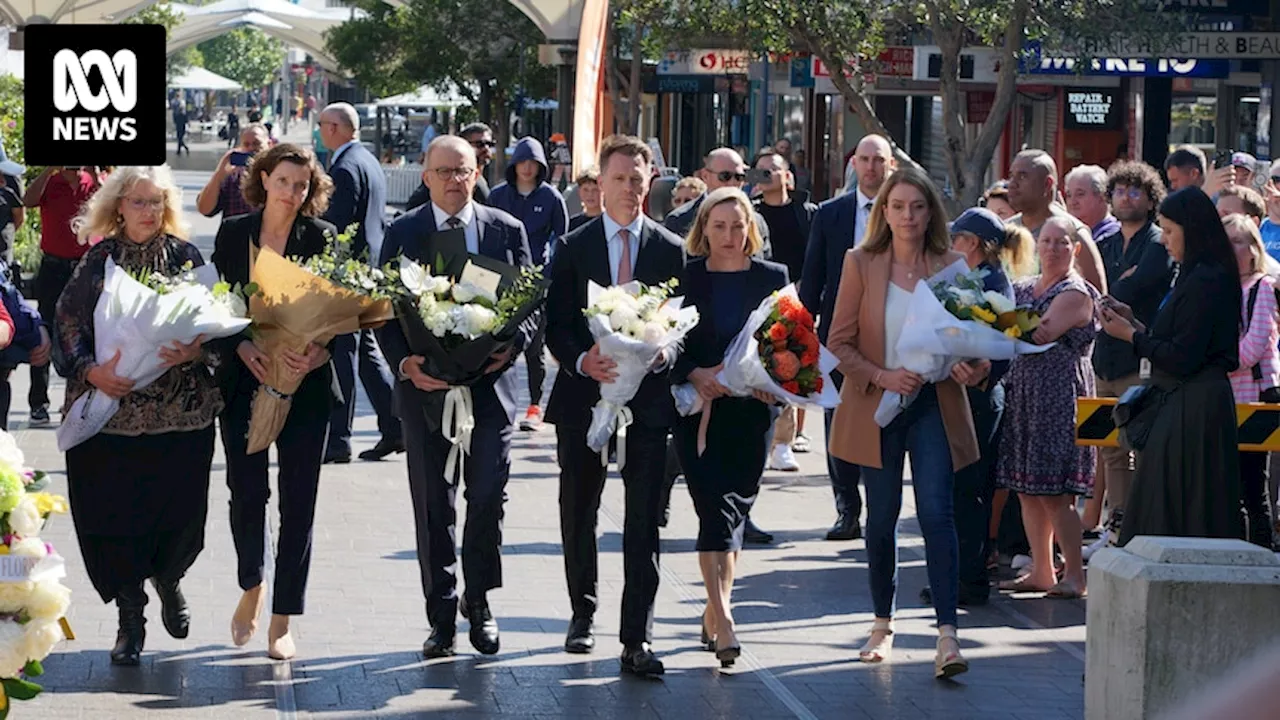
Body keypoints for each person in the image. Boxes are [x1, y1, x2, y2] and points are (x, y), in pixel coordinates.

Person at [376, 135, 535, 659]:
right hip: (425, 394)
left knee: (487, 495)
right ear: (425, 177)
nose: (453, 180)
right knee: (433, 505)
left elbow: (531, 304)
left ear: (476, 172)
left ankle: (480, 602)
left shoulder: (506, 229)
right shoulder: (403, 231)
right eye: (442, 171)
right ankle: (440, 617)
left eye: (462, 170)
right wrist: (405, 364)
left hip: (491, 391)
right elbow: (385, 308)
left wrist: (508, 349)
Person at [56, 166, 218, 666]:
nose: (147, 212)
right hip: (113, 417)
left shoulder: (185, 257)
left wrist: (196, 351)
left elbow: (217, 320)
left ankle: (169, 580)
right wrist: (90, 370)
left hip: (181, 415)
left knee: (179, 517)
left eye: (156, 202)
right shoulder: (100, 259)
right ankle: (131, 617)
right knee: (116, 519)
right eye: (138, 202)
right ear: (118, 206)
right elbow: (67, 322)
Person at [825, 166, 976, 678]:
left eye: (917, 206)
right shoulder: (860, 262)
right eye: (897, 207)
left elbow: (972, 344)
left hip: (934, 403)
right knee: (881, 518)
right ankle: (882, 624)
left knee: (938, 514)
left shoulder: (953, 264)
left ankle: (948, 636)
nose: (908, 216)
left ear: (930, 211)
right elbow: (838, 343)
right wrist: (881, 375)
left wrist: (968, 363)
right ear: (882, 213)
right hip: (878, 406)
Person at [545, 134, 684, 677]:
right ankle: (583, 613)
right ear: (598, 183)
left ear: (650, 182)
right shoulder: (574, 245)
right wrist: (583, 362)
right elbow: (555, 323)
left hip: (647, 405)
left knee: (644, 519)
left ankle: (637, 638)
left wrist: (663, 352)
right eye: (618, 177)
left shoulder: (669, 248)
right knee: (578, 508)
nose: (628, 187)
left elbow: (679, 325)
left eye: (637, 178)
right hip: (584, 400)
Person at [212, 144, 337, 661]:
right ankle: (252, 584)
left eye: (302, 185)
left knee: (299, 501)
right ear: (264, 180)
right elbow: (216, 306)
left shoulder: (322, 238)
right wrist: (240, 346)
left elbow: (342, 309)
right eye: (284, 181)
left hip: (305, 387)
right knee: (246, 492)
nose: (292, 192)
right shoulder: (234, 233)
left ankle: (283, 616)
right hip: (246, 383)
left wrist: (318, 350)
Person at [671, 188, 788, 667]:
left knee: (733, 516)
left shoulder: (772, 278)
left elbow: (789, 342)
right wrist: (695, 374)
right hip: (700, 411)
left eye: (738, 226)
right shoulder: (687, 276)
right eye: (719, 226)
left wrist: (775, 382)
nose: (729, 235)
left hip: (751, 415)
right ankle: (726, 620)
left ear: (751, 230)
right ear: (704, 230)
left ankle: (711, 608)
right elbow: (669, 340)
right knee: (712, 516)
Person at [1099, 187, 1244, 545]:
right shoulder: (1197, 274)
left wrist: (1130, 337)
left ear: (1190, 230)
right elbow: (1179, 342)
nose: (1163, 240)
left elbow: (1183, 357)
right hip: (1186, 404)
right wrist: (1134, 325)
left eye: (1169, 231)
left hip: (1192, 409)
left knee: (1180, 516)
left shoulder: (1206, 278)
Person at [800, 133, 898, 541]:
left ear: (890, 166)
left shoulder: (904, 211)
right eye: (865, 159)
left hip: (891, 334)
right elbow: (813, 277)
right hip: (838, 336)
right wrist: (804, 333)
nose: (872, 167)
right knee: (837, 420)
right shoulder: (831, 213)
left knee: (884, 420)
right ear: (853, 164)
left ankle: (881, 509)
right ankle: (847, 509)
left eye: (879, 160)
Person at [932, 208, 1030, 607]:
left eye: (956, 238)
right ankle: (959, 576)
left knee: (968, 491)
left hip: (978, 397)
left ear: (970, 243)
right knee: (964, 490)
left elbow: (1008, 344)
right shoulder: (977, 279)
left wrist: (980, 368)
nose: (950, 245)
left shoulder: (992, 283)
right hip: (971, 394)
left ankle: (968, 580)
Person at [997, 217, 1099, 598]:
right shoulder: (1022, 285)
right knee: (1027, 489)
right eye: (1047, 241)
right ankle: (1042, 570)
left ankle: (1075, 573)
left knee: (1056, 493)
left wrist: (998, 320)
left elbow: (1041, 330)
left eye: (1062, 242)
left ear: (1075, 249)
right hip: (1024, 394)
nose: (1053, 248)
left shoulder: (1076, 292)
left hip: (1058, 398)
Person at [1085, 161, 1172, 554]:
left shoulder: (1158, 242)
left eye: (1135, 191)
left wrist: (1113, 288)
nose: (1126, 197)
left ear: (1151, 198)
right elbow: (1090, 288)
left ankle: (1140, 527)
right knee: (1110, 449)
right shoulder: (1103, 243)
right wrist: (1113, 288)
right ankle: (1116, 527)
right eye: (1119, 190)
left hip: (1139, 357)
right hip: (1103, 357)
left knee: (1138, 445)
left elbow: (1137, 287)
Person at [317, 102, 402, 464]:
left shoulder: (346, 167)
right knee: (366, 353)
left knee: (343, 354)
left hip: (348, 273)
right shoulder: (366, 161)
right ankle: (394, 425)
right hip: (368, 269)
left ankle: (340, 438)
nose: (321, 130)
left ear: (335, 127)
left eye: (322, 124)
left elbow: (336, 225)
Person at [489, 137, 569, 432]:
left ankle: (535, 405)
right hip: (501, 279)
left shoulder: (550, 197)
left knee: (535, 346)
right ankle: (497, 403)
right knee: (497, 341)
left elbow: (561, 238)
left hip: (537, 281)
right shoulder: (499, 195)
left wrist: (549, 273)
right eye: (522, 162)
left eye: (532, 163)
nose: (526, 168)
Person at [753, 149, 817, 474]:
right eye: (759, 171)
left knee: (790, 371)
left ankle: (784, 443)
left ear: (786, 175)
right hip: (757, 301)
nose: (765, 176)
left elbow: (817, 258)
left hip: (796, 301)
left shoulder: (806, 213)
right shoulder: (749, 212)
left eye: (772, 170)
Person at [24, 165, 100, 427]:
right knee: (44, 329)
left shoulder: (93, 181)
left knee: (85, 333)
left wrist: (95, 172)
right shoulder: (51, 182)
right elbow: (28, 201)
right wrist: (48, 170)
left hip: (83, 268)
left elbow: (110, 210)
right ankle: (38, 402)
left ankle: (78, 398)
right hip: (53, 267)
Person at [1224, 213, 1277, 548]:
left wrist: (1220, 363)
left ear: (1254, 247)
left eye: (1238, 241)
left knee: (1254, 484)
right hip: (1227, 397)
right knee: (1231, 484)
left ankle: (1261, 548)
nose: (1232, 249)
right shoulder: (1224, 288)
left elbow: (1256, 345)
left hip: (1255, 396)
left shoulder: (1263, 287)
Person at [1006, 149, 1107, 295]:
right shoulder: (1004, 230)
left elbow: (1098, 298)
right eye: (1011, 176)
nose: (1012, 184)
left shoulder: (1074, 234)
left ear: (1047, 184)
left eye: (1022, 176)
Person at [663, 148, 771, 256]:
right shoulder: (680, 219)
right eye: (725, 176)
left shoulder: (757, 221)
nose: (733, 183)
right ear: (705, 176)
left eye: (739, 177)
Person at [406, 123, 496, 210]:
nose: (486, 148)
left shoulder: (482, 180)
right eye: (479, 144)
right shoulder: (438, 181)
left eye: (490, 144)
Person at [197, 124, 270, 221]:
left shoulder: (278, 175)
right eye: (246, 144)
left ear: (269, 144)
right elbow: (205, 209)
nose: (251, 148)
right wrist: (218, 175)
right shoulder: (232, 177)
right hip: (234, 234)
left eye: (257, 143)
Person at [1065, 164, 1120, 241]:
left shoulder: (1113, 235)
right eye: (1069, 195)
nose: (1072, 202)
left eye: (1080, 194)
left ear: (1102, 196)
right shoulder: (1070, 234)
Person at [568, 168, 602, 232]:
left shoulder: (610, 221)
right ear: (579, 192)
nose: (590, 194)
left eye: (595, 190)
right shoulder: (573, 224)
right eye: (585, 190)